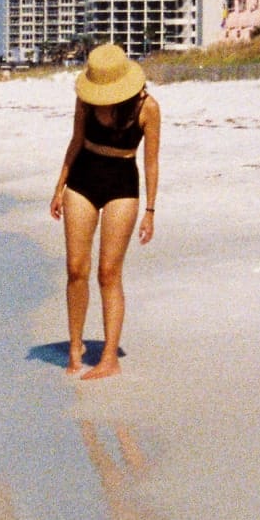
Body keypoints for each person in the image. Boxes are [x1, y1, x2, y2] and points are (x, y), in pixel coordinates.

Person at [49, 44, 160, 380]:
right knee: (75, 268)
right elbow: (76, 141)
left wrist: (150, 210)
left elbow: (152, 162)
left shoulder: (147, 107)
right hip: (82, 178)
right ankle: (74, 346)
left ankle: (109, 357)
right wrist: (59, 186)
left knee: (109, 272)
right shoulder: (85, 99)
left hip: (122, 182)